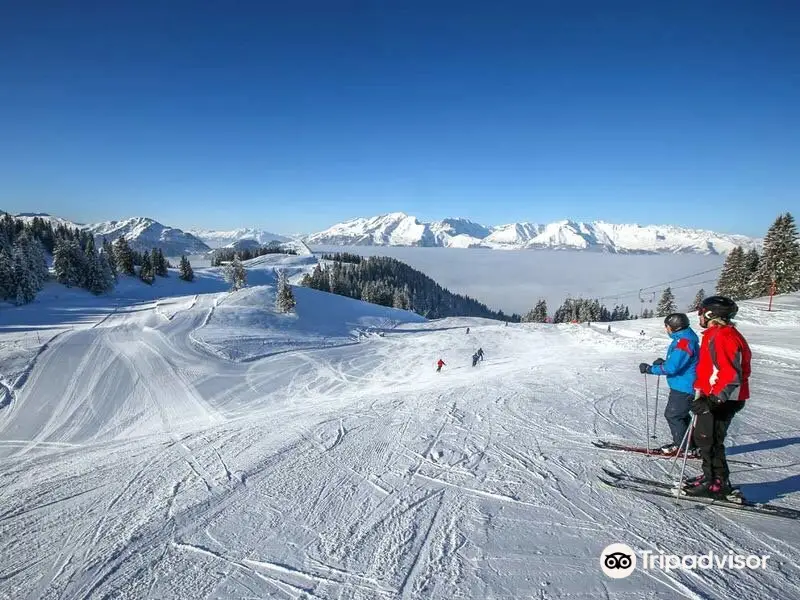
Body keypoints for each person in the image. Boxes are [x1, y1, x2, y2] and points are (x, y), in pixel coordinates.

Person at [684, 296, 751, 498]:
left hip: (722, 399)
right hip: (715, 396)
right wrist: (700, 389)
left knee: (709, 440)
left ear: (711, 314)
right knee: (706, 439)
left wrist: (712, 400)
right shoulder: (715, 334)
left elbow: (730, 375)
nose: (699, 317)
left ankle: (717, 483)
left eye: (701, 312)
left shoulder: (724, 337)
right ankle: (711, 477)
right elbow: (709, 368)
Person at [638, 313, 700, 456]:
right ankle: (689, 444)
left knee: (673, 415)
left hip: (684, 387)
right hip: (683, 385)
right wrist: (664, 362)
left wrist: (650, 369)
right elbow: (677, 362)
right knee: (681, 415)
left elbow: (672, 368)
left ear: (673, 327)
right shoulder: (683, 339)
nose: (666, 329)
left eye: (667, 326)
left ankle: (685, 448)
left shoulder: (684, 342)